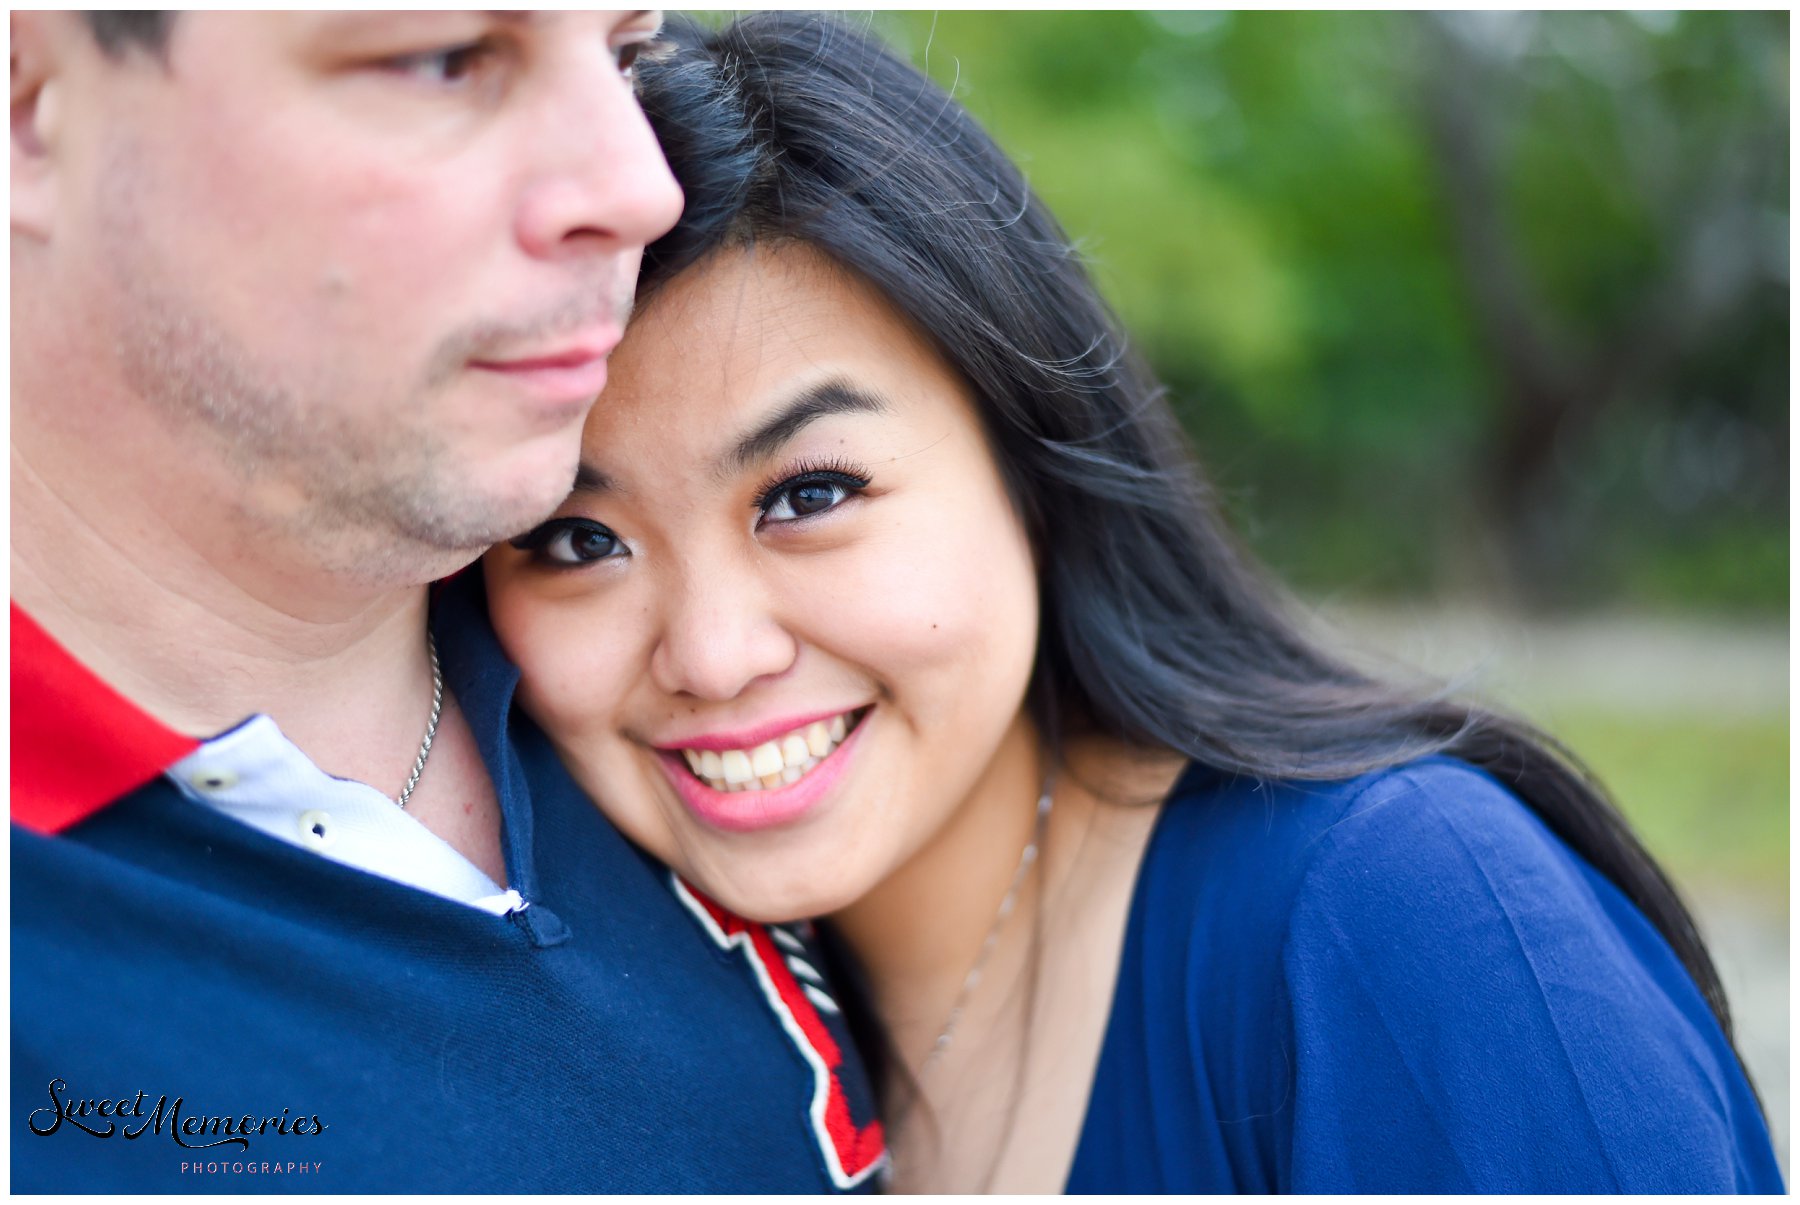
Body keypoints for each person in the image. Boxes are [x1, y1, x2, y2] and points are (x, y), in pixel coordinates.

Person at [478, 12, 1785, 1193]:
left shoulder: (1408, 922)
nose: (713, 651)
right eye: (579, 539)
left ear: (1028, 457)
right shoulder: (662, 1045)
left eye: (809, 495)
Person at [11, 11, 882, 1192]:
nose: (642, 184)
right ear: (31, 107)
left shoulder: (750, 669)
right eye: (448, 58)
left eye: (624, 56)